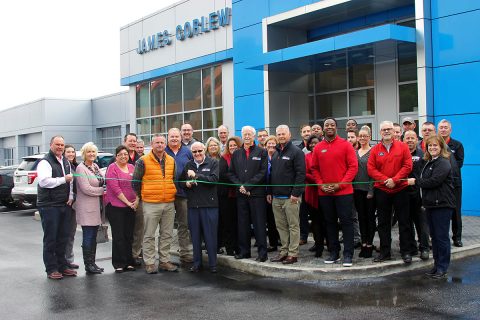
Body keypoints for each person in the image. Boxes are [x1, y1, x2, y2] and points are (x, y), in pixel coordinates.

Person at [408, 135, 456, 279]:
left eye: (435, 145)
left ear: (441, 147)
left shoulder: (443, 163)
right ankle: (436, 266)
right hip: (431, 205)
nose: (432, 148)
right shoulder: (430, 162)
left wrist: (416, 181)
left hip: (441, 205)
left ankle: (443, 267)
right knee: (434, 237)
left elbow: (434, 181)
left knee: (441, 238)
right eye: (430, 146)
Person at [312, 118, 358, 267]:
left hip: (343, 193)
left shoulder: (346, 145)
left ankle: (348, 254)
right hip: (325, 193)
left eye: (332, 125)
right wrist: (321, 185)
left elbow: (353, 167)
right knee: (330, 223)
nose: (329, 127)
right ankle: (334, 252)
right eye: (327, 125)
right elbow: (314, 169)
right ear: (323, 129)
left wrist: (340, 185)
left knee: (346, 223)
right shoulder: (318, 147)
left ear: (337, 128)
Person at [367, 121, 416, 264]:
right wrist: (385, 180)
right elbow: (371, 169)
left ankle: (406, 251)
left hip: (400, 189)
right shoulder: (375, 149)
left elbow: (408, 165)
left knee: (404, 222)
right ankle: (385, 252)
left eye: (389, 129)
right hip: (382, 190)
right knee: (383, 223)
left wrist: (395, 180)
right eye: (384, 130)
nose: (387, 131)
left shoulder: (403, 147)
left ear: (394, 132)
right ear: (380, 132)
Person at [132, 134, 178, 274]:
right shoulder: (143, 161)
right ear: (152, 144)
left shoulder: (171, 160)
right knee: (149, 234)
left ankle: (164, 261)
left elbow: (174, 179)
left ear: (165, 145)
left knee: (166, 234)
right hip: (151, 203)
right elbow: (135, 182)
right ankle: (150, 262)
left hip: (169, 202)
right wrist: (142, 196)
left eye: (162, 143)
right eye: (157, 142)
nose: (160, 145)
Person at [37, 136, 77, 279]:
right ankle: (51, 268)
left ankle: (62, 265)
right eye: (57, 144)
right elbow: (44, 182)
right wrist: (62, 180)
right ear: (51, 145)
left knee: (63, 237)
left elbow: (71, 181)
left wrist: (71, 196)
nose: (60, 147)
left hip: (64, 204)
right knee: (51, 238)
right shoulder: (45, 162)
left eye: (62, 145)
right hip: (49, 205)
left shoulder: (65, 161)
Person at [227, 126, 269, 262]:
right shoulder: (236, 154)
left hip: (257, 194)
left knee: (259, 224)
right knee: (243, 224)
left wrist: (248, 186)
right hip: (241, 195)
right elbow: (231, 173)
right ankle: (245, 252)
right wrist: (240, 186)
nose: (246, 136)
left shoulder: (262, 152)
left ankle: (262, 253)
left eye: (249, 134)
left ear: (254, 136)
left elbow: (263, 172)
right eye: (244, 134)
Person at [180, 142, 220, 273]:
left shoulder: (213, 163)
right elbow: (180, 182)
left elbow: (214, 179)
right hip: (193, 206)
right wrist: (186, 184)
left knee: (210, 236)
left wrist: (196, 176)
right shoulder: (188, 165)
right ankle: (197, 263)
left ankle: (213, 264)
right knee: (195, 237)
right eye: (194, 152)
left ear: (204, 150)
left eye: (199, 151)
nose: (197, 154)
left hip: (209, 206)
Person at [268, 125, 305, 265]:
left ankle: (293, 253)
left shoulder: (296, 152)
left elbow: (301, 174)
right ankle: (284, 252)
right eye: (279, 134)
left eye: (283, 133)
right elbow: (272, 175)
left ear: (289, 134)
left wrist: (295, 194)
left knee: (293, 226)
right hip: (276, 198)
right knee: (281, 227)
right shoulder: (276, 152)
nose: (281, 136)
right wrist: (270, 192)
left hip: (291, 198)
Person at [105, 145, 139, 273]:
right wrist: (128, 202)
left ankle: (129, 261)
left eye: (125, 154)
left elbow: (137, 184)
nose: (123, 156)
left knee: (129, 235)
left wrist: (136, 200)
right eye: (120, 154)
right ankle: (119, 263)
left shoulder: (132, 167)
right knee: (118, 235)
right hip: (116, 207)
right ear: (116, 156)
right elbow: (115, 188)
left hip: (131, 206)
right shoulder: (112, 168)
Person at [75, 142, 106, 274]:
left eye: (93, 152)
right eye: (89, 152)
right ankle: (88, 265)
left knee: (93, 237)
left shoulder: (95, 166)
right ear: (84, 154)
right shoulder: (80, 169)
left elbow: (101, 181)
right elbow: (86, 189)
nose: (92, 154)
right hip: (87, 208)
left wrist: (102, 189)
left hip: (97, 208)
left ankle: (93, 263)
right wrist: (103, 190)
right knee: (88, 236)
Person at [165, 128, 194, 264]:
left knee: (184, 224)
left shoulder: (187, 152)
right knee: (166, 226)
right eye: (172, 136)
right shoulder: (162, 151)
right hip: (167, 195)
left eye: (177, 136)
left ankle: (185, 253)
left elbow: (193, 168)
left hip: (183, 194)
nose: (174, 139)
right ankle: (164, 256)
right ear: (168, 137)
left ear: (181, 137)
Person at [438, 119, 464, 247]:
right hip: (440, 184)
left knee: (455, 211)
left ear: (450, 130)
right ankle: (442, 237)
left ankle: (457, 237)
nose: (443, 129)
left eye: (445, 127)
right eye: (441, 127)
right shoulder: (435, 144)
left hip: (454, 184)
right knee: (441, 211)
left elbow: (459, 163)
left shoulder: (457, 145)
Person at [403, 130, 430, 260]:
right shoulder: (400, 154)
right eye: (407, 138)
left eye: (412, 138)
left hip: (419, 194)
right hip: (403, 194)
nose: (409, 140)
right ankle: (410, 249)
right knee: (406, 223)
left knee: (421, 224)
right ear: (403, 140)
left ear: (416, 139)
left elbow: (427, 176)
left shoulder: (423, 155)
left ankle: (424, 248)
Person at [353, 126, 376, 258]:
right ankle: (363, 243)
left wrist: (371, 190)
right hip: (357, 190)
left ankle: (369, 244)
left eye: (364, 136)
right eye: (360, 136)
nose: (362, 138)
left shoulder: (372, 152)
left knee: (370, 218)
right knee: (361, 218)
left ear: (369, 137)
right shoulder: (355, 152)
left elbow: (373, 173)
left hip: (369, 191)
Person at [219, 136, 242, 255]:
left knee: (238, 223)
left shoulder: (242, 157)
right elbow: (223, 174)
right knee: (228, 223)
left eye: (235, 145)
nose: (232, 147)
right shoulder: (224, 158)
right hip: (227, 196)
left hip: (239, 195)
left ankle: (238, 247)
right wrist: (237, 181)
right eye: (230, 146)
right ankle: (229, 248)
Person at [304, 134, 326, 258]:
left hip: (326, 191)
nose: (313, 145)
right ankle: (318, 247)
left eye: (316, 142)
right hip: (312, 192)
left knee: (327, 221)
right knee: (316, 222)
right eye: (311, 143)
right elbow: (305, 174)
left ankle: (329, 244)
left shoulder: (324, 154)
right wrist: (319, 181)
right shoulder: (306, 157)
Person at [64, 144, 79, 269]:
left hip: (74, 204)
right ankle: (62, 261)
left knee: (71, 233)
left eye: (72, 152)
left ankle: (69, 259)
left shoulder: (75, 166)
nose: (71, 154)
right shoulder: (63, 167)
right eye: (68, 152)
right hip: (64, 204)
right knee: (63, 233)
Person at [264, 135, 281, 252]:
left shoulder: (279, 156)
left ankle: (281, 239)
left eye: (273, 143)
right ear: (265, 146)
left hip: (277, 192)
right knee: (270, 219)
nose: (271, 145)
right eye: (268, 143)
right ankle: (273, 243)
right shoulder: (263, 157)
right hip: (264, 192)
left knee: (279, 219)